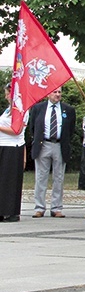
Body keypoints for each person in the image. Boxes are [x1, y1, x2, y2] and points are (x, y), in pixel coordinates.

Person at [30, 88, 76, 218]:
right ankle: (39, 207)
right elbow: (32, 127)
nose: (57, 95)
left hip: (60, 145)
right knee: (40, 177)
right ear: (48, 94)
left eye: (59, 92)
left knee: (59, 177)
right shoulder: (38, 108)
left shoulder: (68, 110)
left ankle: (56, 208)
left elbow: (71, 129)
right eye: (55, 92)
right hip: (43, 144)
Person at [0, 83, 28, 222]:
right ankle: (2, 209)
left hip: (13, 146)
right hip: (3, 145)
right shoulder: (7, 110)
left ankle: (11, 211)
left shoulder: (22, 109)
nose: (6, 96)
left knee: (10, 179)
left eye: (7, 93)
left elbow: (16, 130)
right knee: (2, 179)